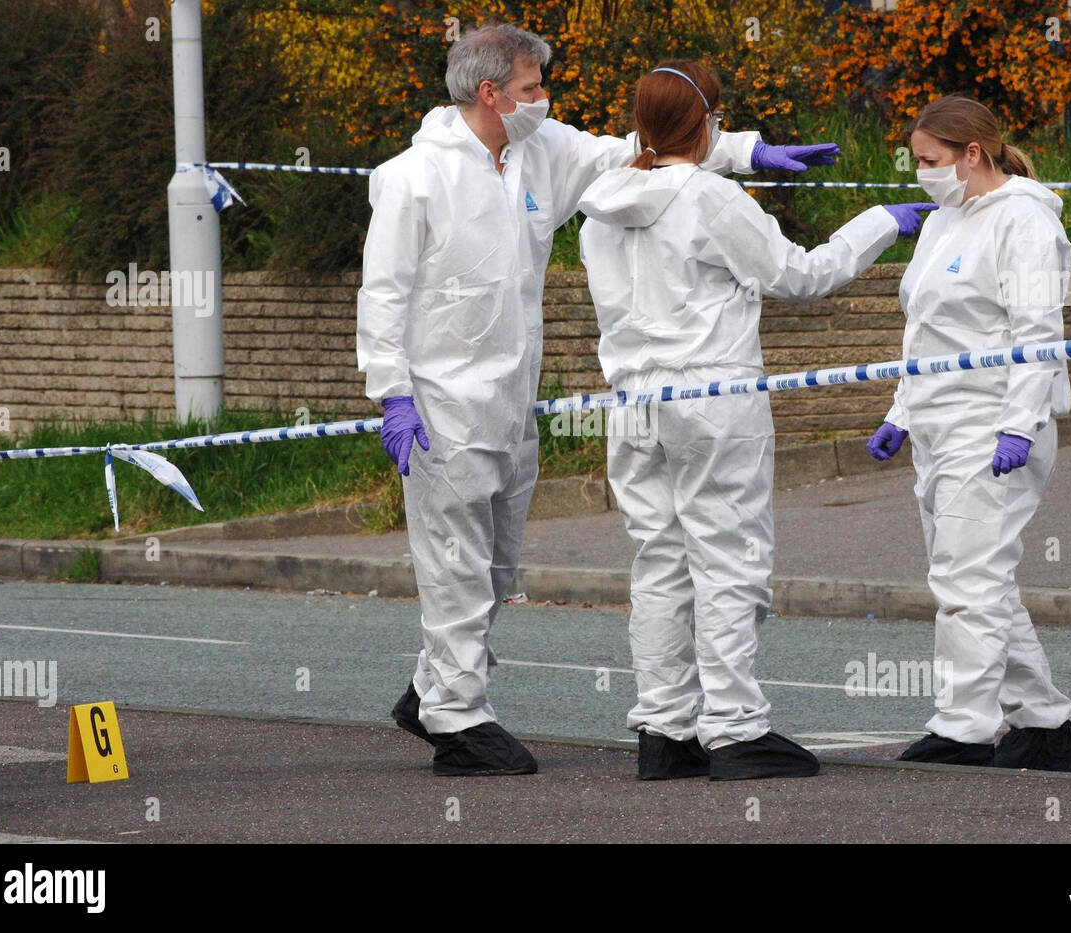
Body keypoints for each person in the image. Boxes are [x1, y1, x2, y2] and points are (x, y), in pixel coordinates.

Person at [359, 25, 851, 776]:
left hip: (510, 401)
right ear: (489, 92)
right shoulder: (413, 178)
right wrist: (391, 392)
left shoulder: (538, 151)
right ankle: (458, 717)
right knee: (454, 562)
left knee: (496, 566)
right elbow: (383, 293)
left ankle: (432, 688)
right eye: (531, 89)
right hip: (438, 405)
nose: (543, 102)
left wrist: (747, 151)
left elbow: (645, 148)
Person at [577, 60, 935, 781]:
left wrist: (740, 148)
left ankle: (664, 728)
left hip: (633, 405)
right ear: (707, 123)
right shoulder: (711, 199)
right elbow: (799, 275)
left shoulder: (600, 207)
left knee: (660, 565)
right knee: (728, 561)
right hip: (713, 401)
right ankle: (737, 729)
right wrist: (879, 225)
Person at [866, 95, 1071, 772]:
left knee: (968, 578)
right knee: (975, 577)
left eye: (929, 160)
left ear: (972, 154)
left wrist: (1019, 425)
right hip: (937, 423)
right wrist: (901, 411)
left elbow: (1036, 332)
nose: (921, 172)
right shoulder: (944, 222)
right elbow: (925, 332)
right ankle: (1043, 724)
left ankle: (962, 726)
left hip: (992, 426)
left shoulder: (1024, 221)